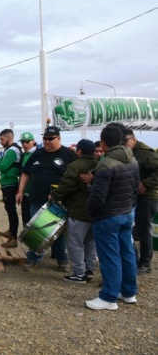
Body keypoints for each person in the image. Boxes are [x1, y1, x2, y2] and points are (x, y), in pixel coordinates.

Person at [85, 126, 139, 310]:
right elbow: (134, 189)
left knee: (110, 257)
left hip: (107, 217)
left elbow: (98, 197)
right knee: (127, 253)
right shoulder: (133, 160)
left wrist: (91, 212)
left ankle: (109, 297)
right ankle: (129, 292)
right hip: (125, 213)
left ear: (103, 143)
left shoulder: (105, 164)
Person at [16, 126, 74, 272]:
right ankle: (34, 258)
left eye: (51, 139)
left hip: (58, 202)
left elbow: (74, 177)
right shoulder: (37, 154)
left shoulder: (68, 154)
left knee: (56, 231)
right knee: (36, 230)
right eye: (45, 138)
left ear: (59, 138)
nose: (47, 141)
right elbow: (25, 173)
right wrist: (21, 191)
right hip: (36, 198)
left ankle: (62, 259)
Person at [50, 139, 98, 283]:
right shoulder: (99, 165)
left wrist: (55, 195)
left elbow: (66, 186)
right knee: (90, 242)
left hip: (79, 210)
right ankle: (89, 269)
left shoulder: (75, 165)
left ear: (79, 151)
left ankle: (78, 273)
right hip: (95, 211)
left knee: (75, 242)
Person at [124, 129, 158, 274]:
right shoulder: (126, 153)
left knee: (144, 230)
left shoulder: (146, 153)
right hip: (133, 196)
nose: (124, 145)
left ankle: (145, 263)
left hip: (148, 197)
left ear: (134, 139)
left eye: (126, 141)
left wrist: (145, 184)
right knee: (131, 230)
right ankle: (135, 259)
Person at [0, 129, 22, 248]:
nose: (0, 141)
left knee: (11, 211)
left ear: (9, 138)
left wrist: (1, 163)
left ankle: (13, 238)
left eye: (2, 139)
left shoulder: (12, 150)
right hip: (7, 183)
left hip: (10, 183)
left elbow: (2, 166)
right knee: (8, 209)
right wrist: (0, 163)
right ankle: (11, 231)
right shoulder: (7, 150)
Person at [18, 132, 37, 227]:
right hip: (25, 192)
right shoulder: (24, 155)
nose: (24, 144)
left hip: (35, 192)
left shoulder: (38, 154)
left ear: (33, 141)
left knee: (35, 220)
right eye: (22, 142)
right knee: (26, 220)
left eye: (27, 141)